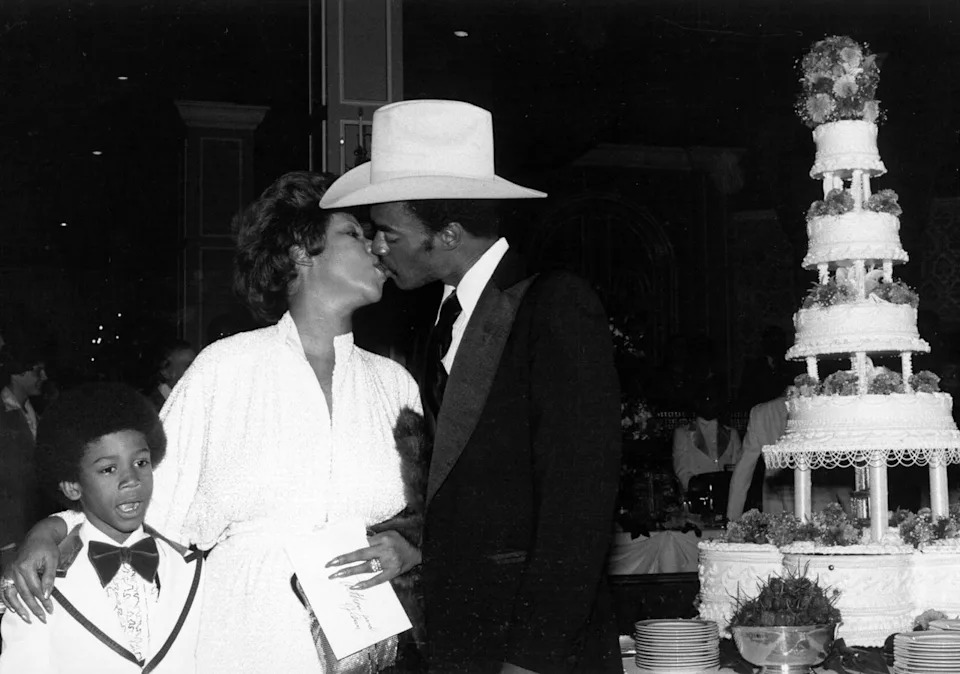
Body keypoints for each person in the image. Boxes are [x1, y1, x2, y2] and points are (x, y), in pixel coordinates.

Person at [1, 172, 426, 672]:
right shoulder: (225, 369)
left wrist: (412, 548)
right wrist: (52, 530)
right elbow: (146, 493)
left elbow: (437, 512)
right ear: (300, 252)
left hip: (372, 646)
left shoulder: (395, 384)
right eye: (353, 233)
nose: (376, 247)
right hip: (248, 641)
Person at [320, 99, 623, 673]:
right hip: (457, 644)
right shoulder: (434, 322)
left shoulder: (553, 305)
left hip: (530, 650)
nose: (377, 247)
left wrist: (531, 660)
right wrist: (416, 545)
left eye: (388, 233)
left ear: (448, 234)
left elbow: (578, 507)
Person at [0, 383, 204, 673]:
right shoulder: (39, 584)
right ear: (73, 487)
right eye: (109, 469)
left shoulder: (191, 569)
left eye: (141, 462)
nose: (131, 480)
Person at [0, 347, 46, 561]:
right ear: (18, 373)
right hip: (10, 535)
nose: (44, 377)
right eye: (37, 371)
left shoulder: (33, 412)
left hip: (36, 526)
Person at [671, 383, 742, 494]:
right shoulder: (682, 434)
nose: (711, 404)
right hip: (697, 495)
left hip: (726, 494)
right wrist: (699, 489)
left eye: (714, 399)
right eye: (707, 399)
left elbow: (738, 468)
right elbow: (682, 471)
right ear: (698, 403)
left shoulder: (732, 434)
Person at [144, 339, 196, 412]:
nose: (197, 371)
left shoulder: (194, 402)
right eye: (188, 366)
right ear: (165, 372)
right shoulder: (150, 410)